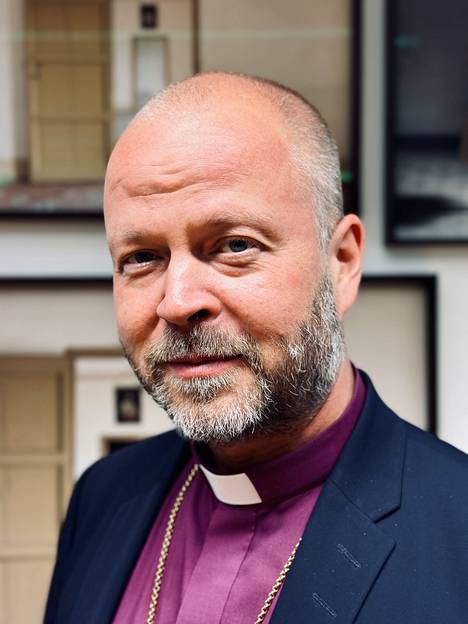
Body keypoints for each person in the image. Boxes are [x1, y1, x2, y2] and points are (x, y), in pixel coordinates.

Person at [44, 73, 468, 624]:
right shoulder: (102, 498)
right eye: (142, 258)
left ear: (340, 262)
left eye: (235, 245)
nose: (178, 302)